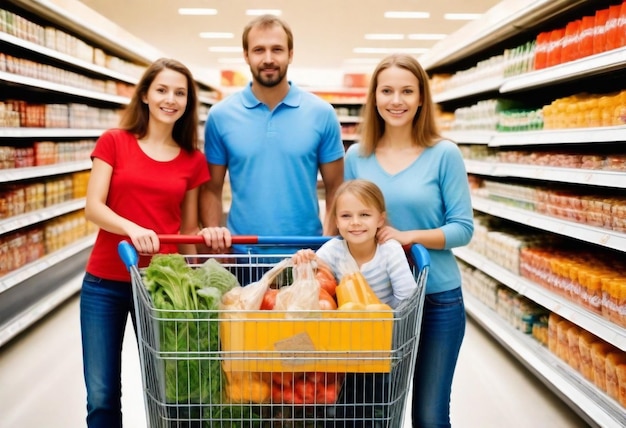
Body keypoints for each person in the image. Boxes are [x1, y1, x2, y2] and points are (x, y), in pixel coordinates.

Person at [80, 58, 231, 428]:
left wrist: (201, 273)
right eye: (162, 90)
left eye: (180, 93)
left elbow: (187, 230)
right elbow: (93, 207)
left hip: (165, 289)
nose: (170, 99)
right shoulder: (114, 142)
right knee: (101, 395)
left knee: (169, 388)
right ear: (145, 94)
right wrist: (131, 228)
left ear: (188, 103)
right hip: (105, 284)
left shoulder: (193, 160)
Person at [344, 54, 474, 428]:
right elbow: (348, 225)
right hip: (374, 302)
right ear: (374, 98)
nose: (396, 100)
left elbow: (463, 229)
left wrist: (408, 237)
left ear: (421, 99)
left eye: (406, 91)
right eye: (386, 91)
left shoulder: (443, 154)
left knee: (430, 416)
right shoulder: (358, 157)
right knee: (372, 410)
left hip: (437, 297)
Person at [199, 14, 345, 244]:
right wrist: (216, 239)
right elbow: (211, 189)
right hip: (242, 252)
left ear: (291, 54)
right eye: (259, 50)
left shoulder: (321, 113)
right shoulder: (221, 116)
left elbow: (336, 187)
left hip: (305, 254)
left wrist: (327, 244)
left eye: (277, 49)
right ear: (246, 55)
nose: (268, 59)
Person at [293, 179, 417, 428]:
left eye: (364, 214)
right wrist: (305, 263)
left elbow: (408, 297)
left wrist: (383, 322)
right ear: (336, 221)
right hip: (340, 345)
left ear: (380, 220)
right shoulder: (333, 250)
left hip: (379, 346)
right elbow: (314, 290)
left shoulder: (389, 252)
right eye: (346, 216)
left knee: (372, 403)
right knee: (341, 404)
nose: (356, 222)